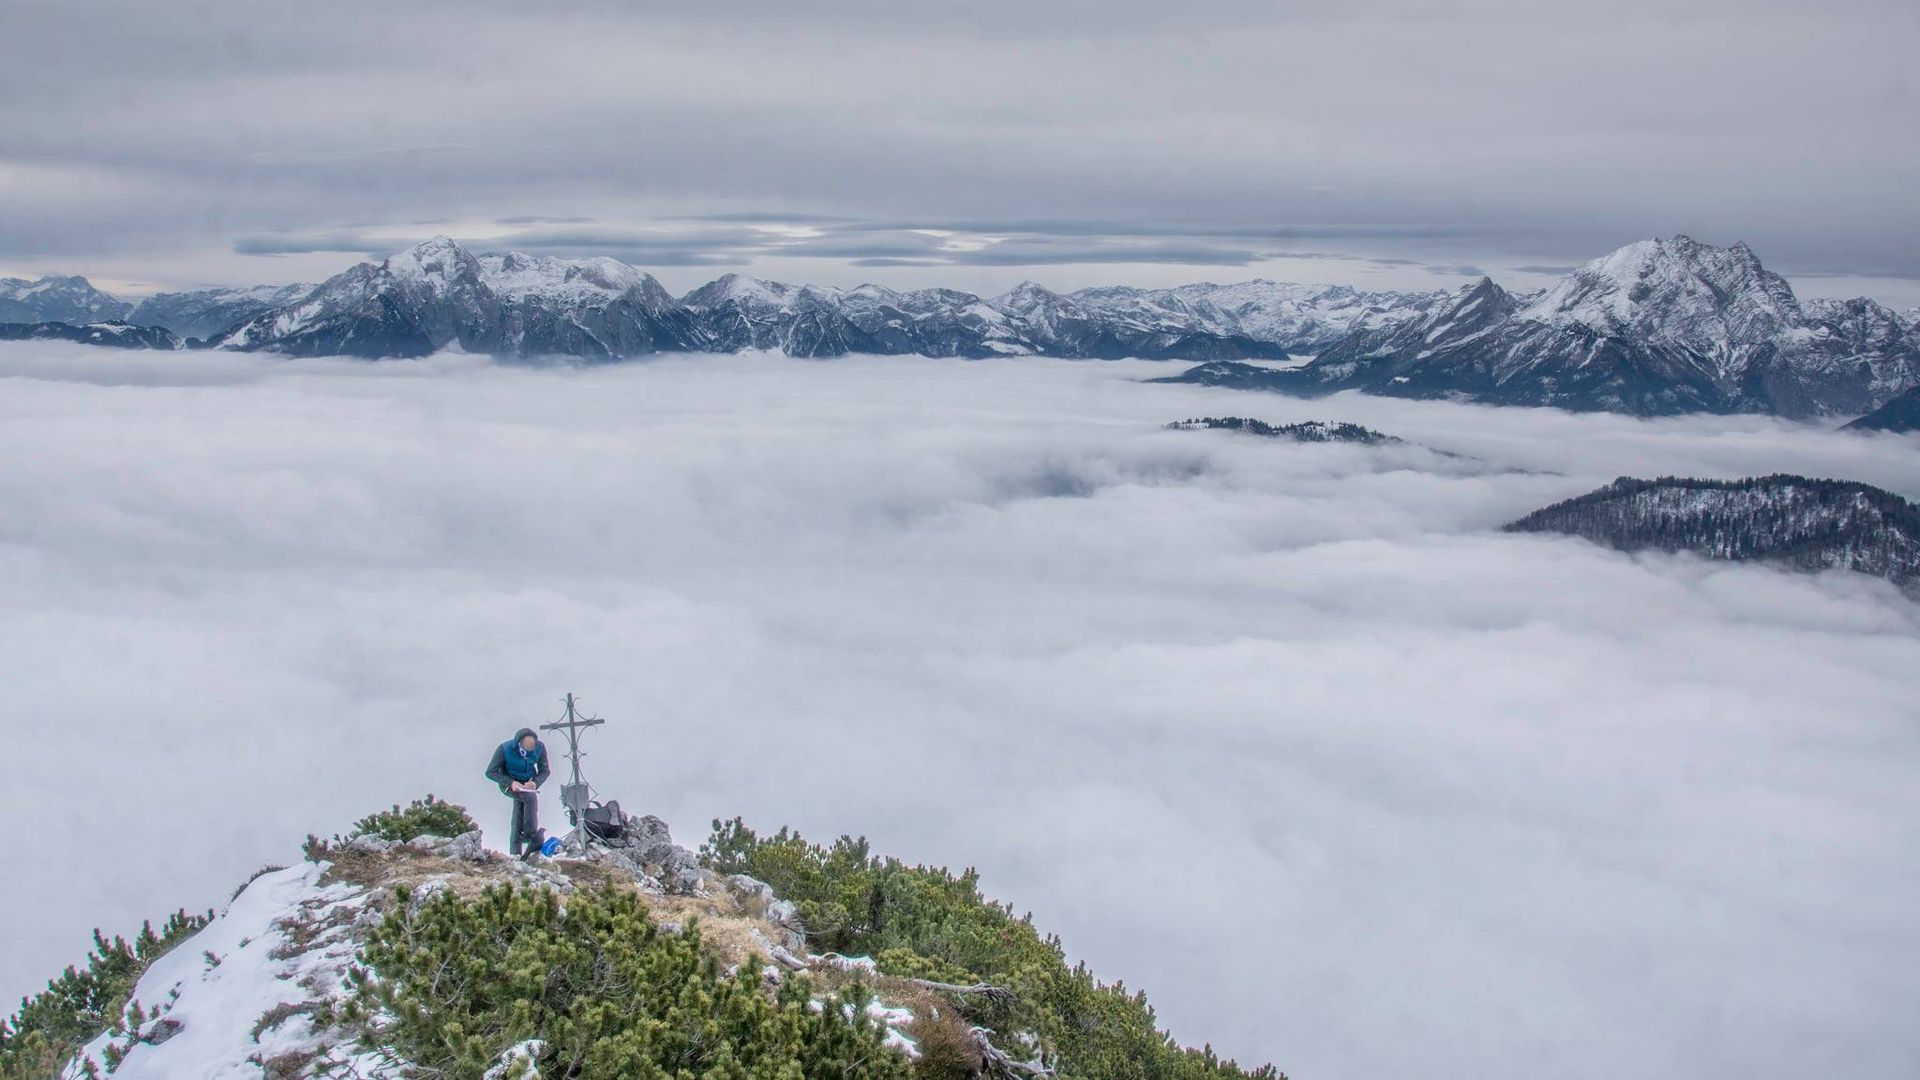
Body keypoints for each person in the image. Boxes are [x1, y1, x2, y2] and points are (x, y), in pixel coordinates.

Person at [484, 726, 551, 858]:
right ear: (520, 743)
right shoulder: (505, 749)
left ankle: (515, 853)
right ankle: (530, 835)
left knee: (519, 813)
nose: (530, 749)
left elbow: (545, 770)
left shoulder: (540, 747)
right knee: (529, 798)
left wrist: (535, 783)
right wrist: (510, 783)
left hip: (528, 784)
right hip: (509, 784)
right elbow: (490, 772)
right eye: (527, 747)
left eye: (532, 746)